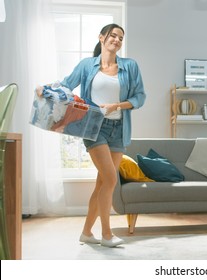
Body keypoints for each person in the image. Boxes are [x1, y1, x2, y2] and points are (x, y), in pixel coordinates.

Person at [38, 23, 146, 247]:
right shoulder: (87, 65)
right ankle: (106, 235)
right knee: (110, 179)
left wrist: (117, 105)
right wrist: (45, 89)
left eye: (120, 38)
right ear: (102, 37)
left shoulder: (129, 66)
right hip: (94, 127)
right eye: (113, 35)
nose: (117, 40)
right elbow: (66, 85)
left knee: (102, 184)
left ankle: (87, 232)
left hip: (119, 129)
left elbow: (140, 97)